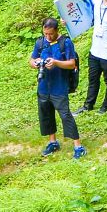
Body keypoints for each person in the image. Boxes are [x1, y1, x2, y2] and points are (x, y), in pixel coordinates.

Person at [31, 16, 84, 159]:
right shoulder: (40, 42)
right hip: (43, 86)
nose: (48, 36)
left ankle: (78, 145)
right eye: (45, 33)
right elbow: (31, 59)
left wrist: (55, 62)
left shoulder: (65, 43)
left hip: (59, 86)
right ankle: (53, 142)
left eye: (51, 34)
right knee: (46, 115)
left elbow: (72, 63)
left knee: (65, 115)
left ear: (57, 30)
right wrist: (35, 62)